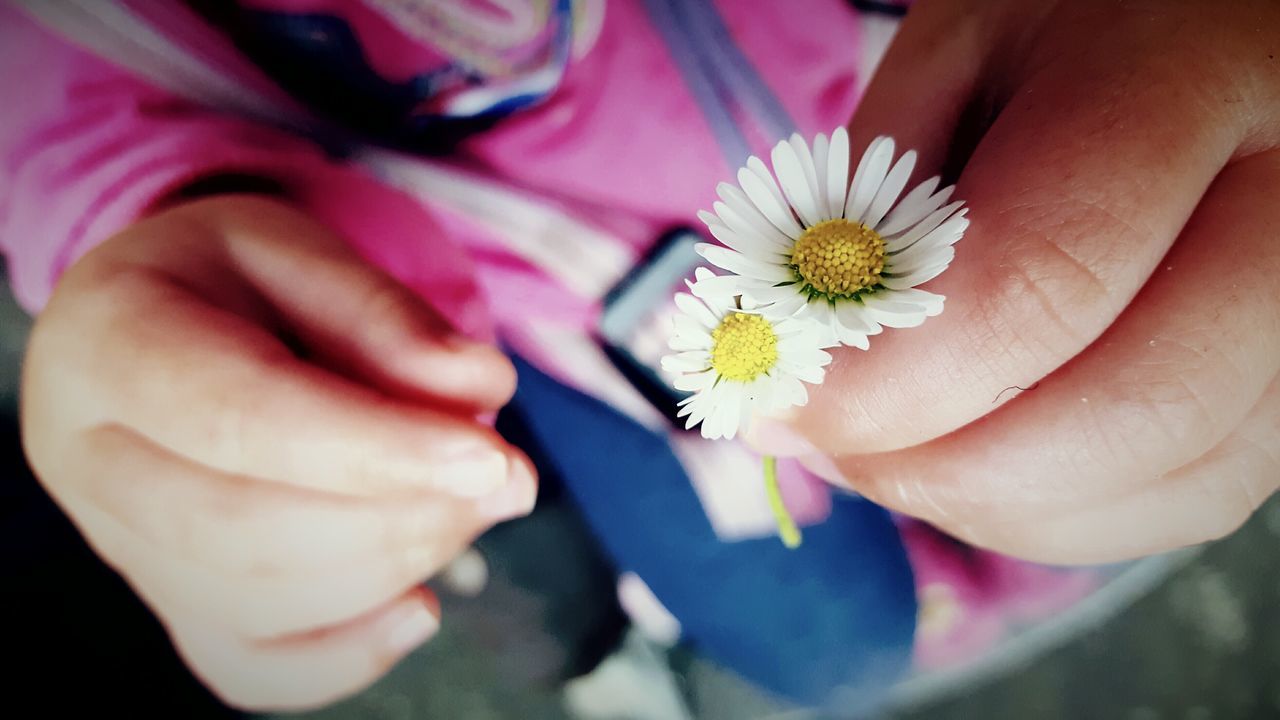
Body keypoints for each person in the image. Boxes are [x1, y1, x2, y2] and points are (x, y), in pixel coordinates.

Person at [3, 0, 1277, 712]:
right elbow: (64, 151)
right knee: (836, 651)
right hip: (583, 335)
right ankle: (752, 603)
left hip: (891, 130)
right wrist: (163, 263)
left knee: (1051, 410)